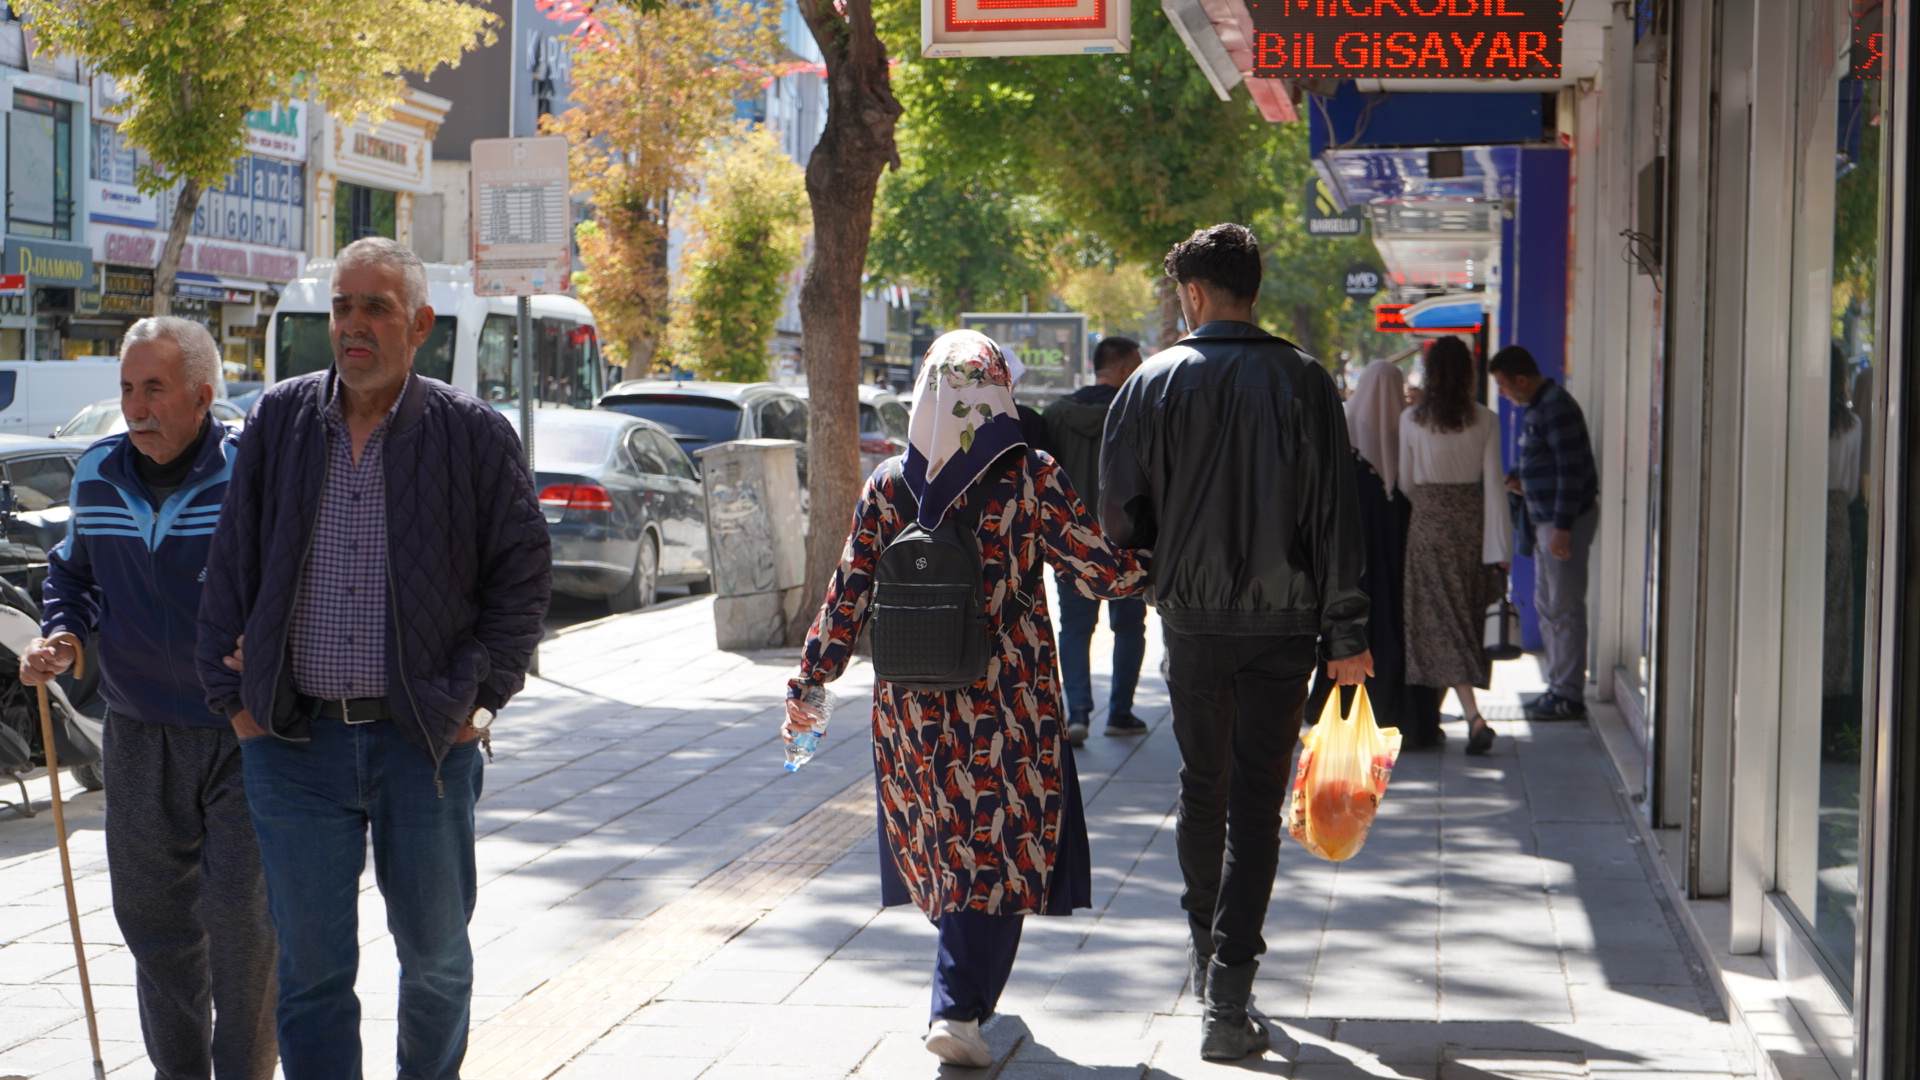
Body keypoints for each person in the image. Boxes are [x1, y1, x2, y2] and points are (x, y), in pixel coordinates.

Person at [196, 237, 551, 1080]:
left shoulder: (472, 434)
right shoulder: (280, 419)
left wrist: (483, 700)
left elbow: (524, 577)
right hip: (291, 744)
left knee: (435, 963)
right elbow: (231, 561)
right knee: (312, 974)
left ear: (420, 324)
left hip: (422, 744)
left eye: (376, 308)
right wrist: (235, 702)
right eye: (343, 307)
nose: (354, 326)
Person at [785, 330, 1148, 1070]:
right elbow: (1098, 571)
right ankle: (957, 1006)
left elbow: (847, 593)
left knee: (947, 838)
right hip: (1010, 697)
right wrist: (1154, 562)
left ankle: (965, 996)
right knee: (1004, 841)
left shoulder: (889, 484)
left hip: (914, 703)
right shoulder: (1030, 474)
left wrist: (810, 681)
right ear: (996, 392)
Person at [1102, 223, 1370, 1062]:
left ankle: (1203, 951)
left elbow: (1118, 514)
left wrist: (1156, 560)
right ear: (1252, 288)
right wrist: (1348, 631)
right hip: (1287, 627)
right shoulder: (1304, 380)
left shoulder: (1151, 382)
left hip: (1190, 622)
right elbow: (1337, 515)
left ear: (1193, 294)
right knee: (1256, 805)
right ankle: (1230, 994)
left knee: (1201, 787)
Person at [21, 318, 275, 1080]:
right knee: (155, 929)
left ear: (202, 396)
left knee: (242, 928)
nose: (135, 405)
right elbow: (73, 574)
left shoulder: (248, 474)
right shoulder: (97, 472)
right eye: (128, 388)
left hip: (242, 732)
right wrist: (62, 634)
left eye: (154, 388)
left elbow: (293, 580)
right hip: (136, 732)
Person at [1303, 359, 1442, 747]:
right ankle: (1405, 717)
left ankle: (1343, 713)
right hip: (1400, 543)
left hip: (1355, 545)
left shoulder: (1342, 428)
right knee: (1400, 621)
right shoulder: (1410, 426)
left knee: (1358, 620)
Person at [1399, 337, 1513, 754]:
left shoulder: (1411, 419)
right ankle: (1464, 717)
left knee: (1437, 624)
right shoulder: (1485, 419)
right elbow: (1495, 487)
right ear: (1468, 372)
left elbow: (1405, 483)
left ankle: (1467, 718)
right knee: (1463, 619)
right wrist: (1500, 548)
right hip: (1471, 526)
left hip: (1427, 526)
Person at [1043, 335, 1148, 744]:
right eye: (1136, 365)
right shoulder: (1136, 412)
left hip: (1071, 542)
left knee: (1074, 628)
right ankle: (1120, 713)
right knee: (1129, 627)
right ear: (1122, 370)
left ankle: (1078, 713)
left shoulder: (1055, 414)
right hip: (1127, 541)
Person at [1489, 344, 1598, 721]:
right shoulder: (1537, 409)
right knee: (1548, 606)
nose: (1504, 395)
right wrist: (1522, 480)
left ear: (1522, 379)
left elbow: (1572, 472)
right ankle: (1557, 686)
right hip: (1544, 520)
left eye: (1504, 386)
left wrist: (1563, 528)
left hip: (1559, 521)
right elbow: (1546, 462)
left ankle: (1568, 693)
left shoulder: (1555, 407)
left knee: (1564, 608)